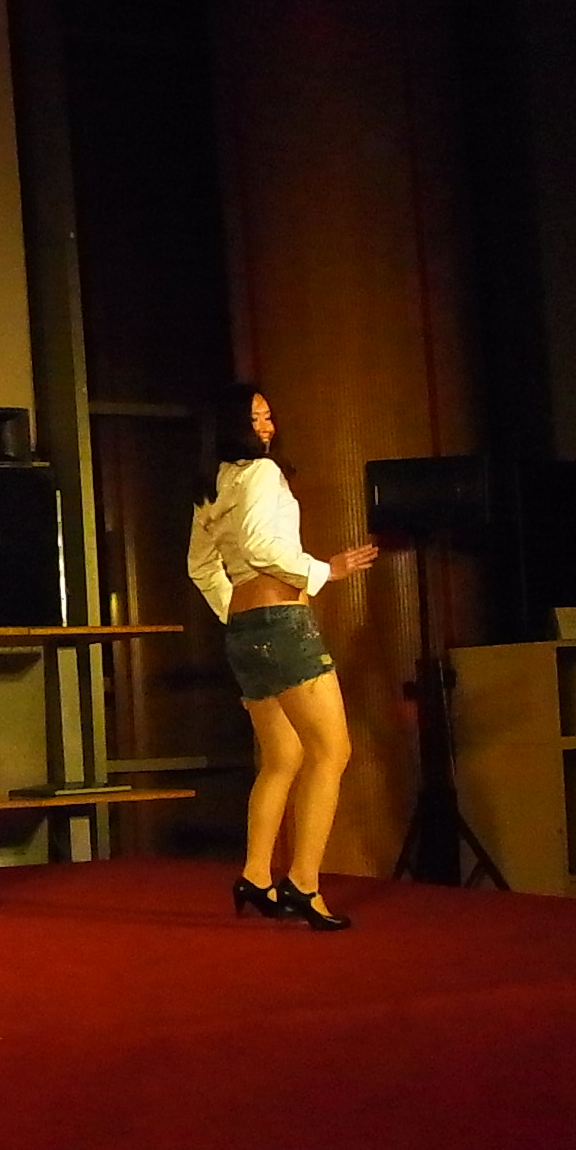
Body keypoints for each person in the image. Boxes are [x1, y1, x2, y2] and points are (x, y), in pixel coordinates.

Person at [187, 386, 377, 930]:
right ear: (233, 424)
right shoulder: (262, 474)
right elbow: (262, 547)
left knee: (282, 757)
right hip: (281, 623)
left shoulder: (214, 485)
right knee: (331, 751)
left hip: (246, 630)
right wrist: (325, 570)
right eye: (255, 418)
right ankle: (303, 883)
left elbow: (201, 566)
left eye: (269, 416)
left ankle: (255, 874)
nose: (267, 427)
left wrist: (234, 612)